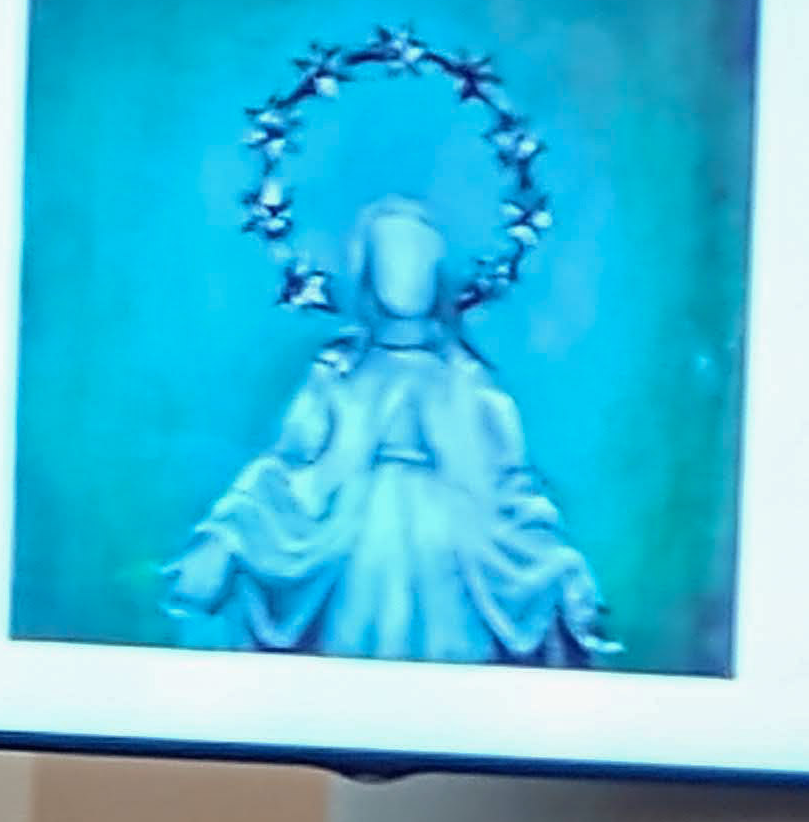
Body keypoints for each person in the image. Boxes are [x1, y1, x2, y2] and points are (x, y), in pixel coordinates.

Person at [170, 194, 611, 668]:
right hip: (347, 537)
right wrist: (226, 536)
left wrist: (559, 566)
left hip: (462, 545)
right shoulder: (339, 376)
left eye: (417, 256)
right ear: (368, 270)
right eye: (392, 257)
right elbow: (288, 470)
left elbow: (509, 487)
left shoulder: (467, 382)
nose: (405, 272)